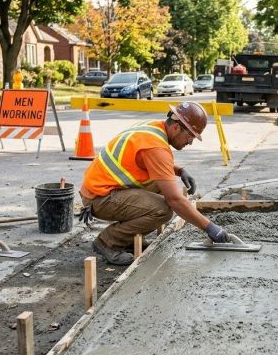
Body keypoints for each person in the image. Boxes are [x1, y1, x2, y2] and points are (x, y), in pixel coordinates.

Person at [79, 101, 230, 265]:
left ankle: (130, 238)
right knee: (163, 210)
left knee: (163, 186)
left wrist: (179, 171)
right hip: (100, 198)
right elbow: (175, 201)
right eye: (190, 136)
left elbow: (149, 161)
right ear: (176, 128)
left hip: (101, 188)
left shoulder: (154, 127)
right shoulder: (155, 147)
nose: (190, 142)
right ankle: (107, 242)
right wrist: (210, 228)